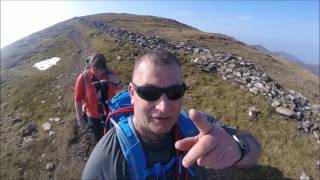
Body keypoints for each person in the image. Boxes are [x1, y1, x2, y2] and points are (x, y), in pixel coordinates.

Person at [82, 49, 261, 179]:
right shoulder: (105, 161)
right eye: (150, 93)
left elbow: (253, 147)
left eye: (174, 92)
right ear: (132, 94)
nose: (164, 107)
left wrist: (239, 150)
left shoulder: (197, 126)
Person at [75, 53, 121, 142]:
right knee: (100, 140)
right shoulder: (83, 78)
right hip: (94, 118)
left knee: (114, 138)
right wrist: (80, 118)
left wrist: (117, 81)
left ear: (104, 68)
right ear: (90, 67)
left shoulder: (109, 74)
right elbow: (78, 100)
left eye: (102, 70)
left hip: (111, 114)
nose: (99, 73)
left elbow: (119, 88)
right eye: (95, 70)